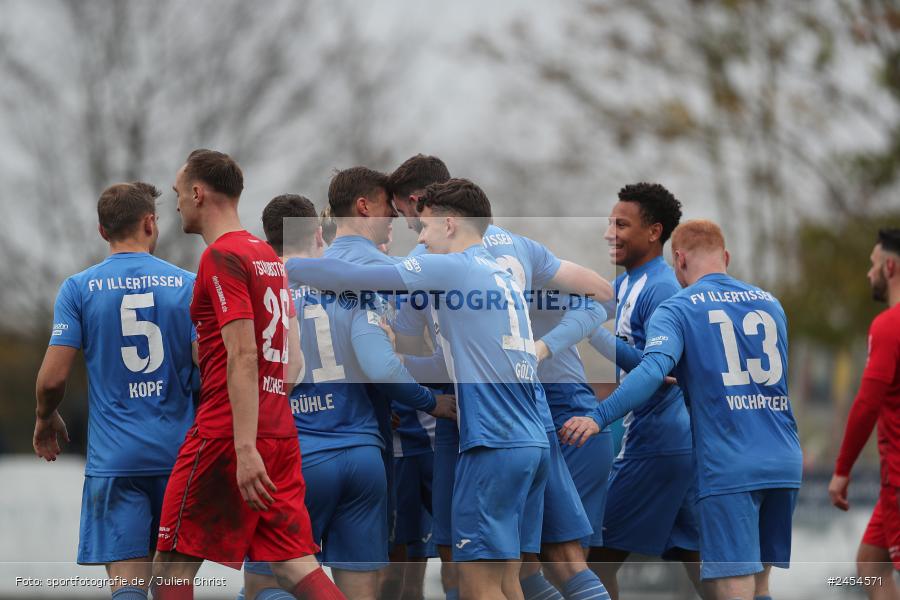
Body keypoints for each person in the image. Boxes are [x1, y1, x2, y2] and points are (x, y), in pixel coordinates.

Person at [287, 179, 552, 600]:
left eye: (425, 227)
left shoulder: (455, 266)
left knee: (478, 585)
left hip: (494, 443)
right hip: (531, 441)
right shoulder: (499, 274)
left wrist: (275, 265)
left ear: (450, 223)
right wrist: (405, 362)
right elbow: (449, 363)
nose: (420, 238)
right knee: (506, 580)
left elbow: (354, 276)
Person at [388, 155, 614, 600]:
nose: (406, 226)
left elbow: (413, 347)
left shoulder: (426, 259)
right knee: (547, 566)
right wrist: (541, 342)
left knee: (468, 570)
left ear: (419, 204)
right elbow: (603, 295)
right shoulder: (519, 246)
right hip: (537, 413)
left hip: (478, 421)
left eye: (400, 214)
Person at [560, 219, 803, 600]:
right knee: (760, 585)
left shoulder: (679, 307)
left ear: (679, 259)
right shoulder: (771, 302)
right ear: (725, 256)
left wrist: (597, 416)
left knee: (732, 586)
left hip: (729, 464)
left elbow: (651, 371)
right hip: (785, 459)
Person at [151, 150, 345, 600]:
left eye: (179, 194)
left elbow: (242, 355)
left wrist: (243, 445)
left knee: (171, 566)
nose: (177, 204)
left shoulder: (222, 256)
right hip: (279, 430)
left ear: (198, 193)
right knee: (296, 566)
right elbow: (291, 362)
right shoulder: (268, 257)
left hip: (225, 436)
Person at [240, 195, 454, 600]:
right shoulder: (356, 289)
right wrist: (430, 402)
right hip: (363, 460)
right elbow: (381, 366)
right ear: (319, 235)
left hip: (296, 457)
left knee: (269, 584)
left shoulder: (261, 291)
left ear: (267, 244)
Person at [34, 182, 196, 600]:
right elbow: (212, 366)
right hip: (180, 457)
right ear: (150, 222)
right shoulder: (188, 285)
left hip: (116, 461)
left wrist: (44, 416)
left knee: (128, 584)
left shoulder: (78, 289)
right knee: (175, 586)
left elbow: (52, 380)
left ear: (102, 231)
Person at [584, 183, 701, 599]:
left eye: (621, 225)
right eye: (609, 223)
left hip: (657, 444)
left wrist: (591, 333)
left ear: (654, 232)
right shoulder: (629, 282)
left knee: (593, 560)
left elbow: (660, 371)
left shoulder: (662, 288)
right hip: (674, 444)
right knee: (700, 564)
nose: (609, 233)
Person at [829, 228, 900, 600]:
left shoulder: (888, 325)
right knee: (871, 565)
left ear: (889, 267)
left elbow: (866, 404)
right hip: (891, 484)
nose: (868, 274)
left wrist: (842, 470)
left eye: (872, 265)